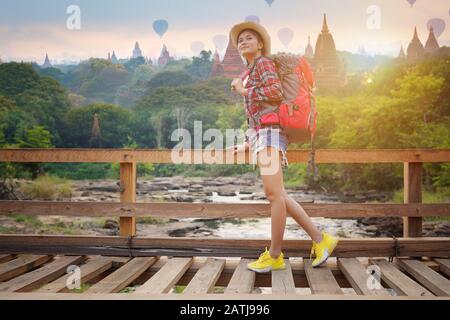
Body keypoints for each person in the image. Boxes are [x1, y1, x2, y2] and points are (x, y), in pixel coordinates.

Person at [228, 21, 338, 272]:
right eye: (240, 40)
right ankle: (321, 240)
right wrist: (248, 142)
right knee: (279, 195)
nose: (243, 42)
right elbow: (259, 113)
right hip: (262, 134)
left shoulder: (263, 63)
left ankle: (275, 255)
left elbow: (275, 93)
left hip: (270, 134)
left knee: (274, 195)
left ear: (260, 44)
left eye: (248, 38)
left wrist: (244, 91)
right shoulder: (251, 69)